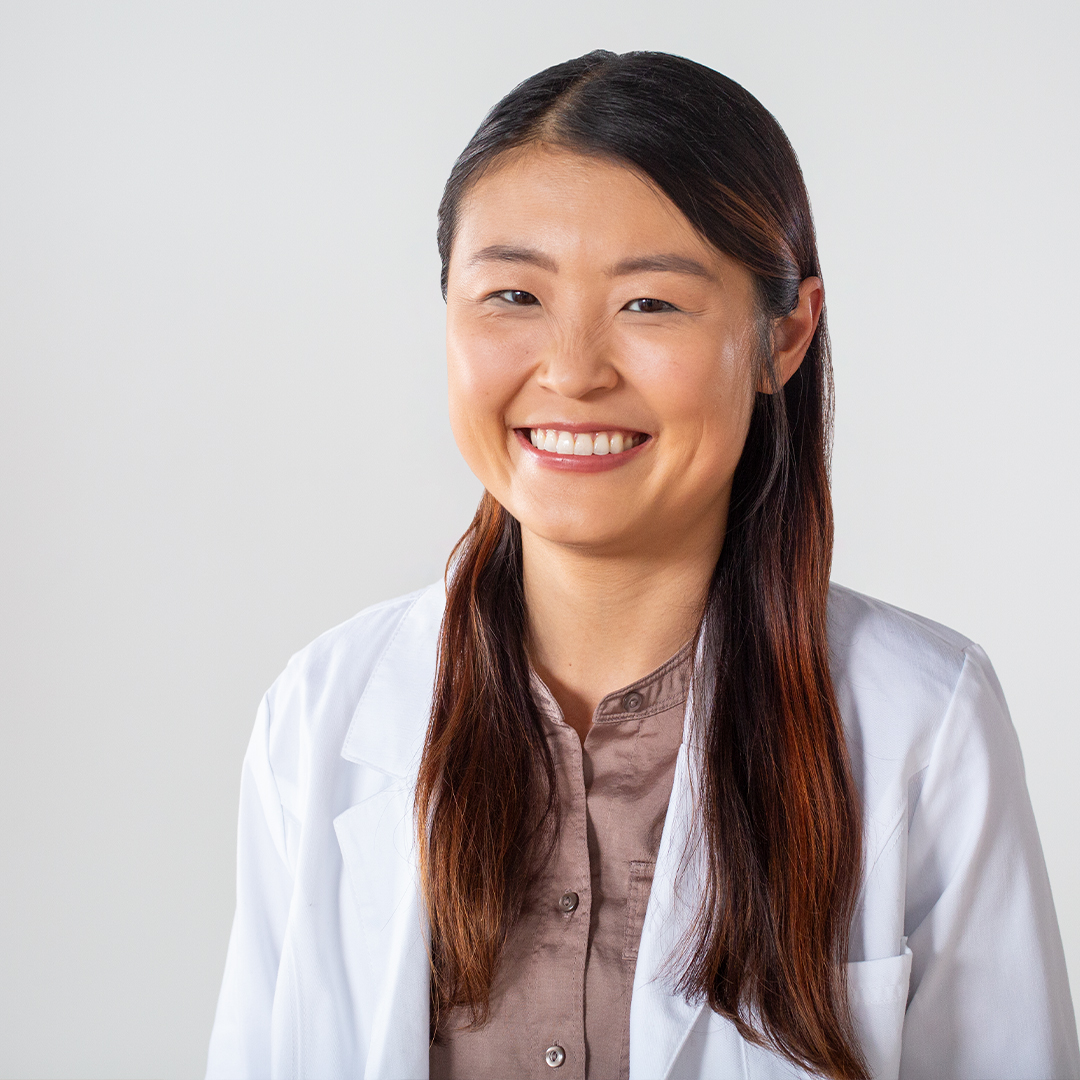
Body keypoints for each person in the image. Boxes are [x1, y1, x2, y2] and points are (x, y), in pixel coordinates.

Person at [205, 51, 1079, 1080]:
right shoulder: (321, 715)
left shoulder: (920, 722)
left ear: (783, 336)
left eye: (650, 305)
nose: (572, 370)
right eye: (513, 295)